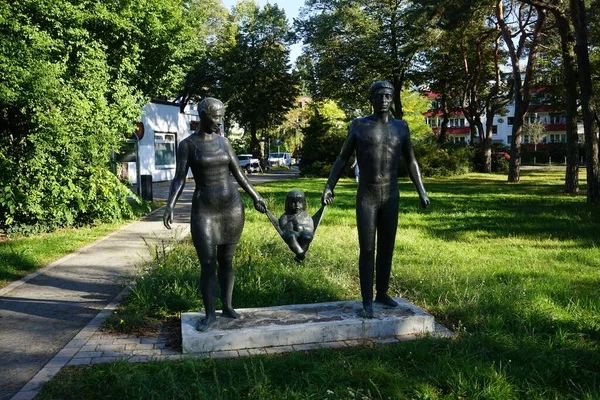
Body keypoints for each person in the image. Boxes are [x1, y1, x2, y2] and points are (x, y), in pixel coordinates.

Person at [321, 81, 430, 318]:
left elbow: (411, 161)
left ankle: (382, 292)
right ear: (371, 99)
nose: (384, 100)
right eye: (379, 95)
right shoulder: (359, 125)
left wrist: (421, 191)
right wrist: (329, 186)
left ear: (392, 99)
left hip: (391, 194)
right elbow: (342, 158)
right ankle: (367, 300)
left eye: (388, 96)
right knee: (368, 248)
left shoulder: (401, 127)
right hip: (367, 195)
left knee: (387, 247)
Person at [163, 97, 266, 331]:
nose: (219, 121)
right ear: (202, 116)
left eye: (221, 116)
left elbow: (240, 174)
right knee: (208, 263)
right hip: (205, 210)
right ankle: (210, 314)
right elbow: (179, 178)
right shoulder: (188, 145)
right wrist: (170, 204)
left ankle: (227, 306)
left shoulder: (224, 142)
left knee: (226, 261)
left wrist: (255, 196)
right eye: (215, 117)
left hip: (231, 207)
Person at [279, 190, 314, 262]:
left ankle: (300, 254)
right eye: (293, 203)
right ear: (288, 203)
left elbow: (311, 227)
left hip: (304, 233)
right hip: (291, 234)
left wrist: (303, 228)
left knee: (307, 236)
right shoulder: (285, 216)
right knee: (291, 236)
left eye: (299, 202)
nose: (297, 206)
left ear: (303, 203)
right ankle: (301, 254)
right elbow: (284, 228)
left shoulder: (306, 216)